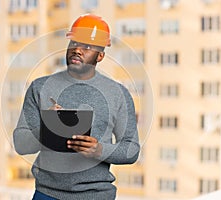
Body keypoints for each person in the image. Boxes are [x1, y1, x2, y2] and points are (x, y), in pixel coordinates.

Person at [13, 14, 140, 200]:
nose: (77, 50)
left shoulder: (117, 94)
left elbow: (132, 150)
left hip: (96, 196)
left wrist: (99, 150)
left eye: (87, 47)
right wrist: (47, 128)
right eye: (74, 43)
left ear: (100, 56)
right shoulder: (40, 87)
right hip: (47, 194)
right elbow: (20, 143)